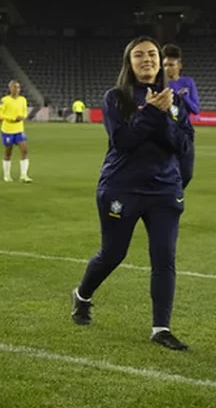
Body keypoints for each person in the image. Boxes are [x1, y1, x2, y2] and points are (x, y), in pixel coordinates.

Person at [70, 37, 194, 351]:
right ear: (129, 63)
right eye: (139, 55)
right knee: (113, 254)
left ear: (161, 61)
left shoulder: (175, 101)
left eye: (152, 54)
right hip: (121, 189)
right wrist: (153, 114)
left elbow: (182, 145)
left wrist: (180, 182)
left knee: (164, 259)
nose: (147, 60)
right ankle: (82, 295)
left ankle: (160, 328)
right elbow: (124, 141)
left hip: (164, 192)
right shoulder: (116, 98)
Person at [162, 44, 198, 190]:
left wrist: (182, 97)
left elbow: (195, 109)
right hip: (165, 132)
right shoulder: (160, 85)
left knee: (186, 173)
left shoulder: (188, 82)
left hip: (183, 131)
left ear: (179, 65)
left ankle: (174, 193)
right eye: (164, 65)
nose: (167, 68)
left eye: (171, 64)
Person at [0, 79, 31, 183]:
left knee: (24, 149)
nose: (17, 89)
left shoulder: (23, 100)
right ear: (10, 88)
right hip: (7, 130)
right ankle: (7, 175)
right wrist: (12, 118)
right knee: (8, 152)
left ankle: (24, 175)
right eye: (14, 87)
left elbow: (24, 112)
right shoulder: (4, 100)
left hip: (19, 129)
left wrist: (22, 117)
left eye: (18, 87)